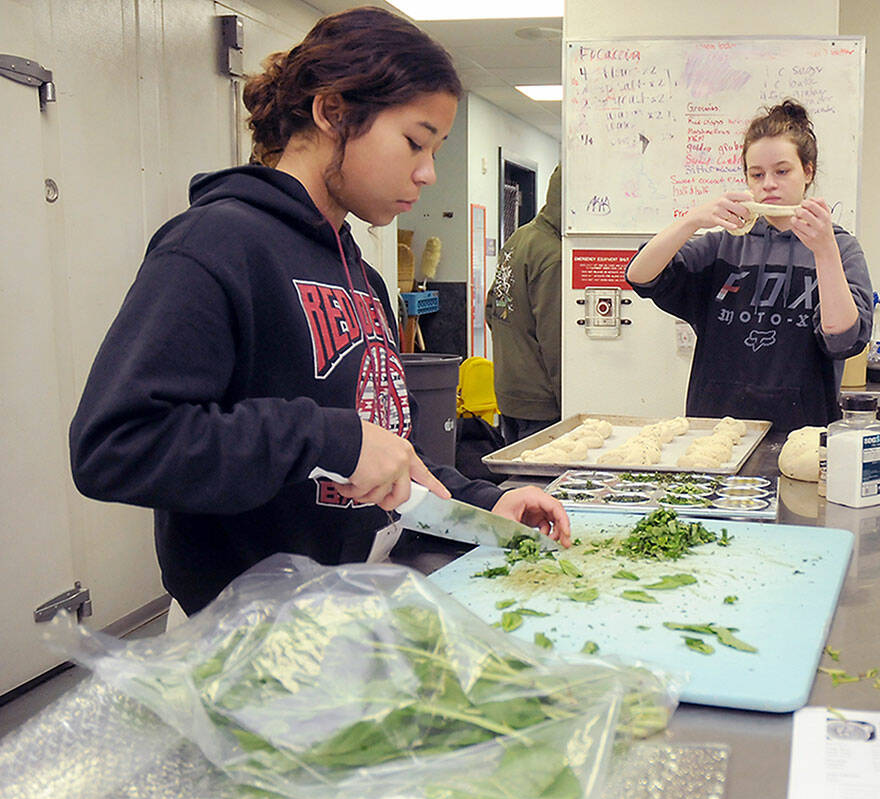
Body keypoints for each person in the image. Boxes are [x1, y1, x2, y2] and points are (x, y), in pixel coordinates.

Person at [69, 7, 570, 615]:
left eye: (436, 149)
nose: (427, 172)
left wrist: (482, 502)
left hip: (354, 605)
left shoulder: (363, 276)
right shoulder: (215, 244)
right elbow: (116, 445)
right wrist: (326, 438)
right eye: (414, 141)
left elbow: (385, 445)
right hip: (245, 632)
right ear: (332, 112)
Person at [625, 99, 873, 431]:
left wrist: (824, 252)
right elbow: (639, 275)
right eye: (757, 174)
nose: (768, 183)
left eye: (782, 171)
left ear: (808, 171)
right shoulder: (723, 244)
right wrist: (693, 220)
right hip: (715, 430)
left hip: (802, 430)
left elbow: (843, 340)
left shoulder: (840, 247)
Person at [486, 165, 562, 443]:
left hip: (509, 391)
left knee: (517, 480)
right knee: (540, 485)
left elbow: (492, 308)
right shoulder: (554, 254)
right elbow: (555, 340)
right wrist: (573, 401)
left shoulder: (520, 236)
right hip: (541, 403)